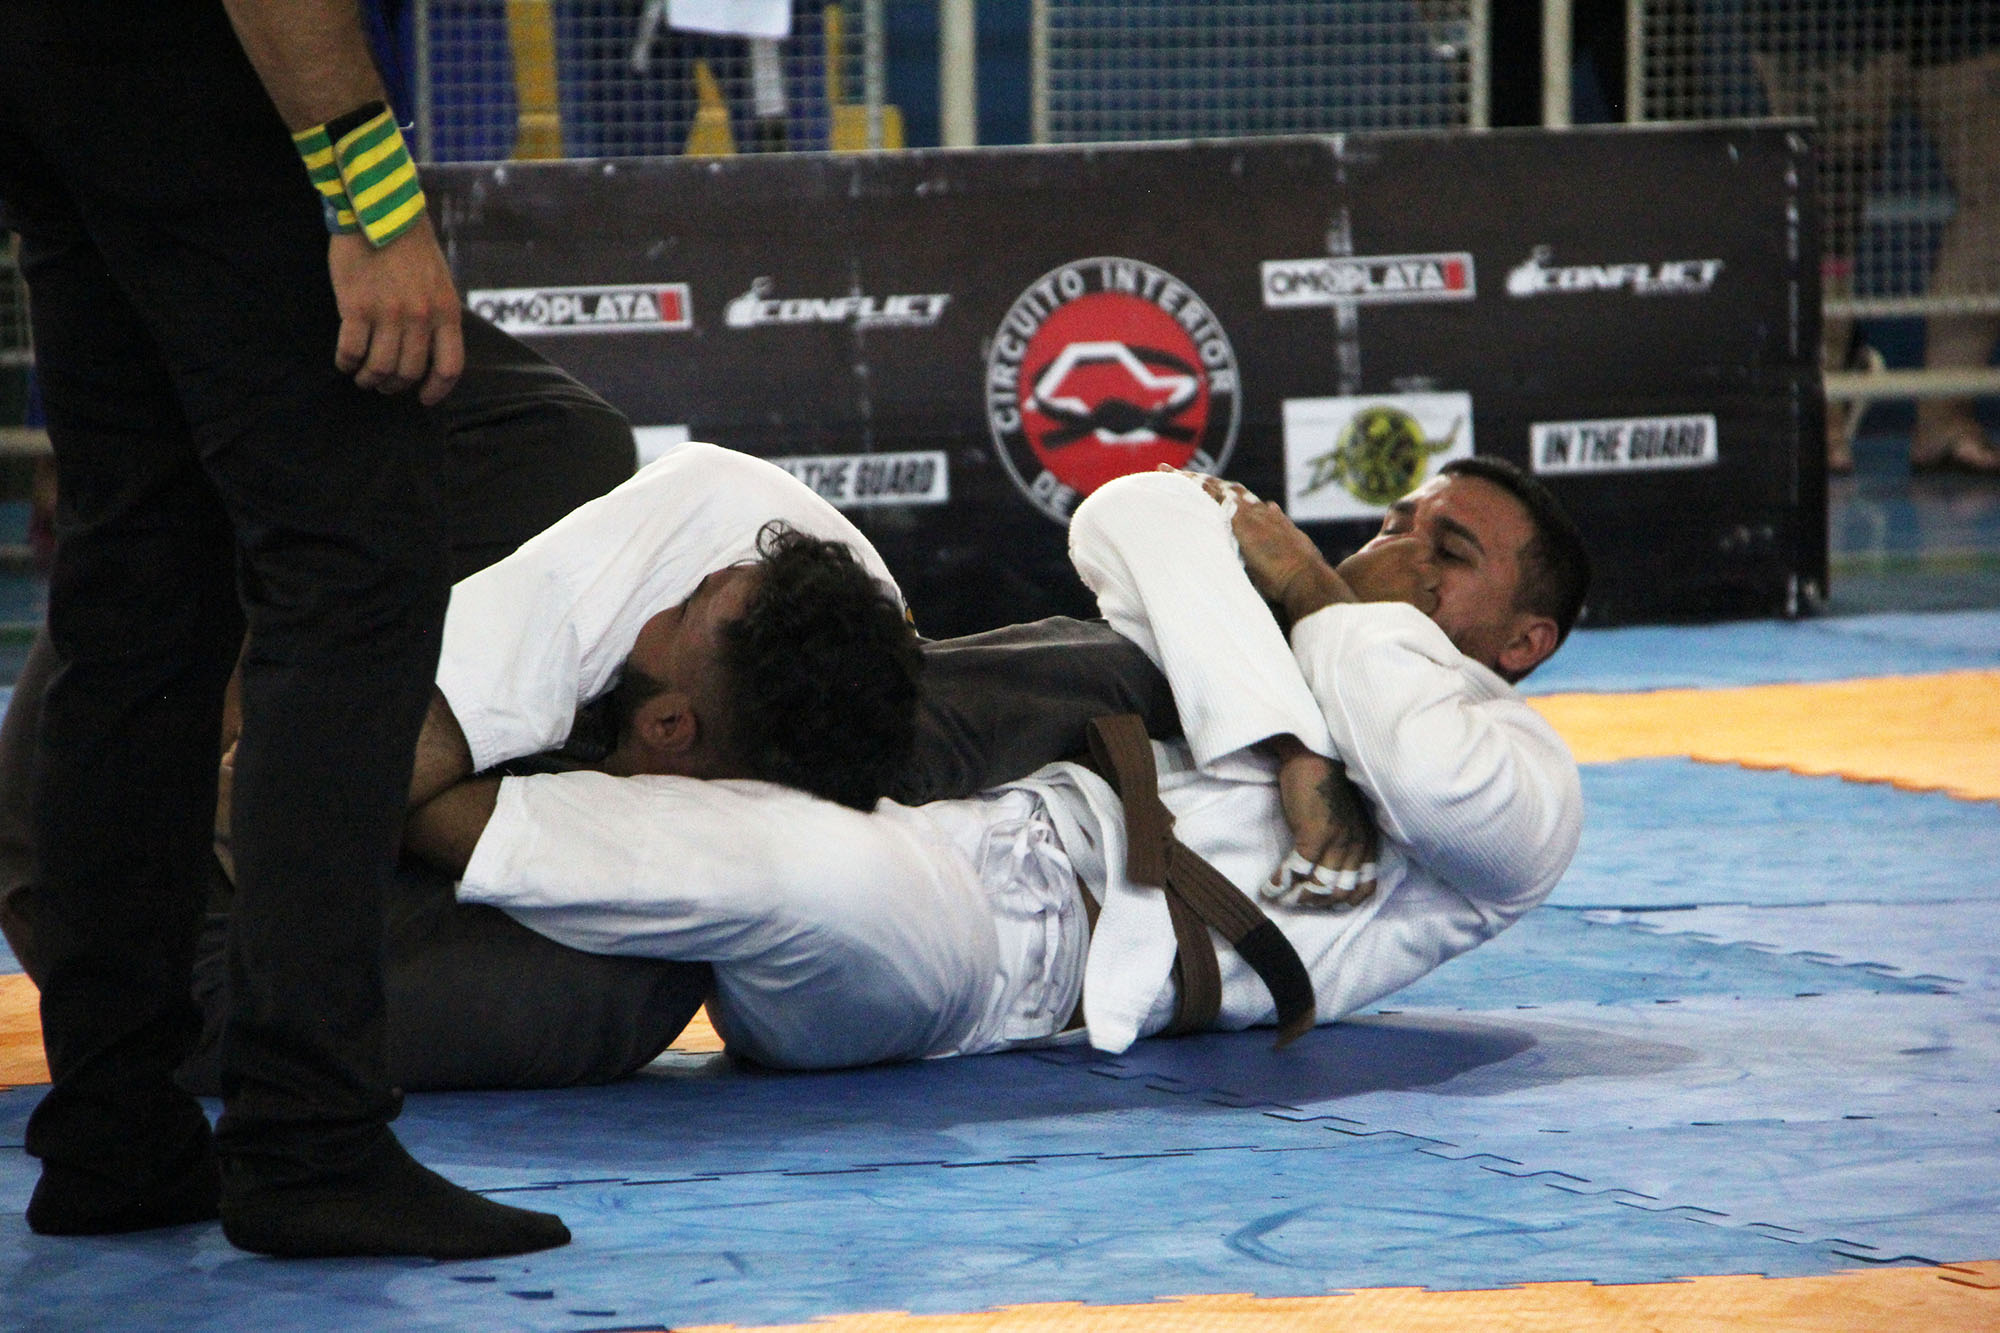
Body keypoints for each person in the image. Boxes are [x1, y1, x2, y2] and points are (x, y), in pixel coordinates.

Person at [0, 0, 592, 1258]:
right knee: (353, 569)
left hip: (54, 68)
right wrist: (373, 200)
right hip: (205, 72)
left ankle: (114, 1131)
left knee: (142, 581)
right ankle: (307, 1134)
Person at [396, 457, 1589, 1070]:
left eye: (1446, 551)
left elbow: (1425, 772)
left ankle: (423, 808)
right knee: (729, 496)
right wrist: (1285, 742)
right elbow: (1136, 507)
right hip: (939, 790)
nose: (1397, 550)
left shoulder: (1528, 786)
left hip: (988, 956)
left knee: (818, 871)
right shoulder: (1271, 641)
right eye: (1392, 523)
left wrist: (1317, 601)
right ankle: (409, 742)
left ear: (1524, 643)